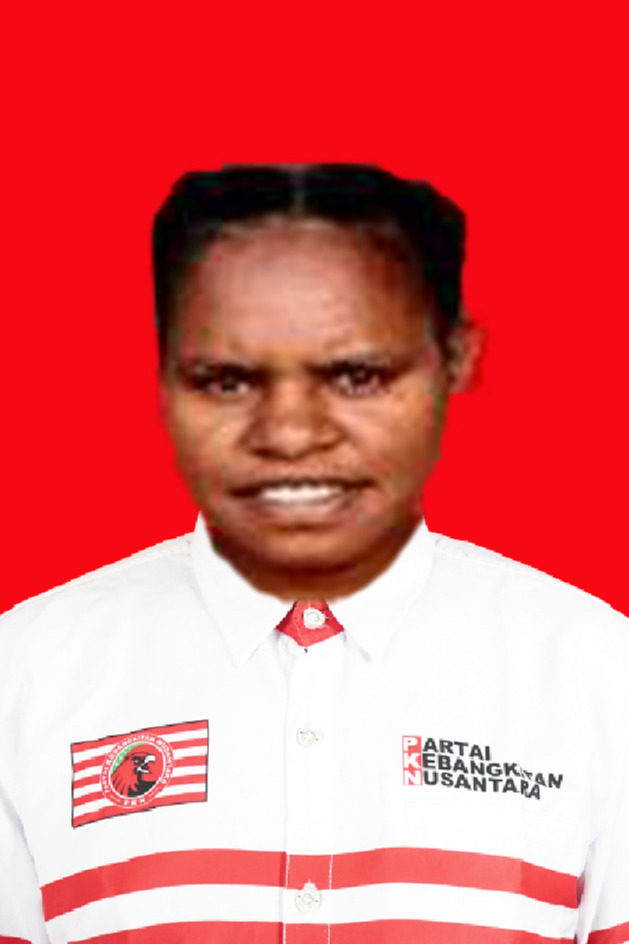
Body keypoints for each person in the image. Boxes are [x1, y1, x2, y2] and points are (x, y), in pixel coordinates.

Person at [1, 164, 627, 944]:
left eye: (356, 376)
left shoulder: (597, 673)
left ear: (455, 358)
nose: (291, 434)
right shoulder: (25, 674)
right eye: (226, 381)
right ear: (162, 372)